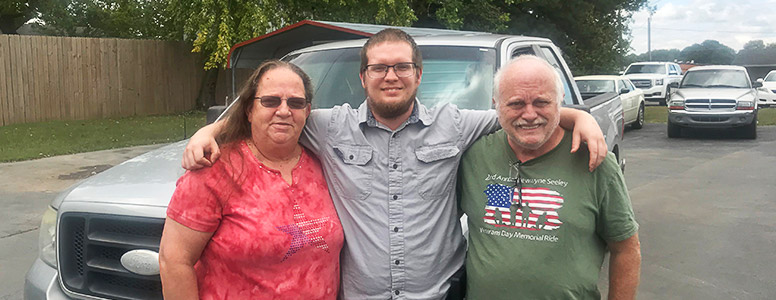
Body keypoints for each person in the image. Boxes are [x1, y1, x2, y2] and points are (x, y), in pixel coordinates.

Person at [182, 29, 608, 299]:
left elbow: (521, 113)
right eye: (379, 68)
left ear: (418, 75)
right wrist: (209, 132)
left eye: (402, 66)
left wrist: (580, 116)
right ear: (363, 77)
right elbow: (270, 112)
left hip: (439, 293)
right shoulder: (326, 126)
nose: (391, 76)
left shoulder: (455, 123)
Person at [457, 55, 641, 299]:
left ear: (560, 101)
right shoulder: (473, 156)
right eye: (516, 104)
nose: (530, 114)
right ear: (496, 104)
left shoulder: (595, 160)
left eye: (542, 102)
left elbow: (626, 249)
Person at [159, 60, 343, 299]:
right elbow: (173, 261)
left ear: (307, 111)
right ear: (249, 110)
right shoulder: (214, 170)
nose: (284, 111)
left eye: (296, 103)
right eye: (270, 101)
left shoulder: (326, 163)